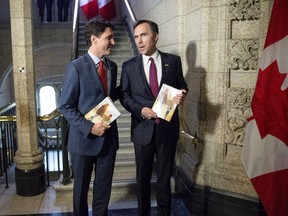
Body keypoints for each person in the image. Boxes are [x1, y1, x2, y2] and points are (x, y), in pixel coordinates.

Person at [119, 19, 188, 216]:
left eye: (144, 35)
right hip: (143, 130)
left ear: (155, 36)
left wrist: (182, 94)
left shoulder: (173, 61)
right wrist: (140, 110)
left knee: (164, 180)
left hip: (167, 130)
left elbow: (182, 85)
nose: (139, 41)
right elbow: (124, 95)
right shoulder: (129, 66)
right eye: (136, 36)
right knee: (142, 180)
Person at [59, 19, 119, 216]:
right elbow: (65, 106)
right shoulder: (75, 67)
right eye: (109, 38)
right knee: (80, 193)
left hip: (108, 141)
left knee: (103, 191)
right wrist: (89, 127)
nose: (113, 42)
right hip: (83, 140)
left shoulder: (112, 66)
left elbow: (107, 97)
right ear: (94, 39)